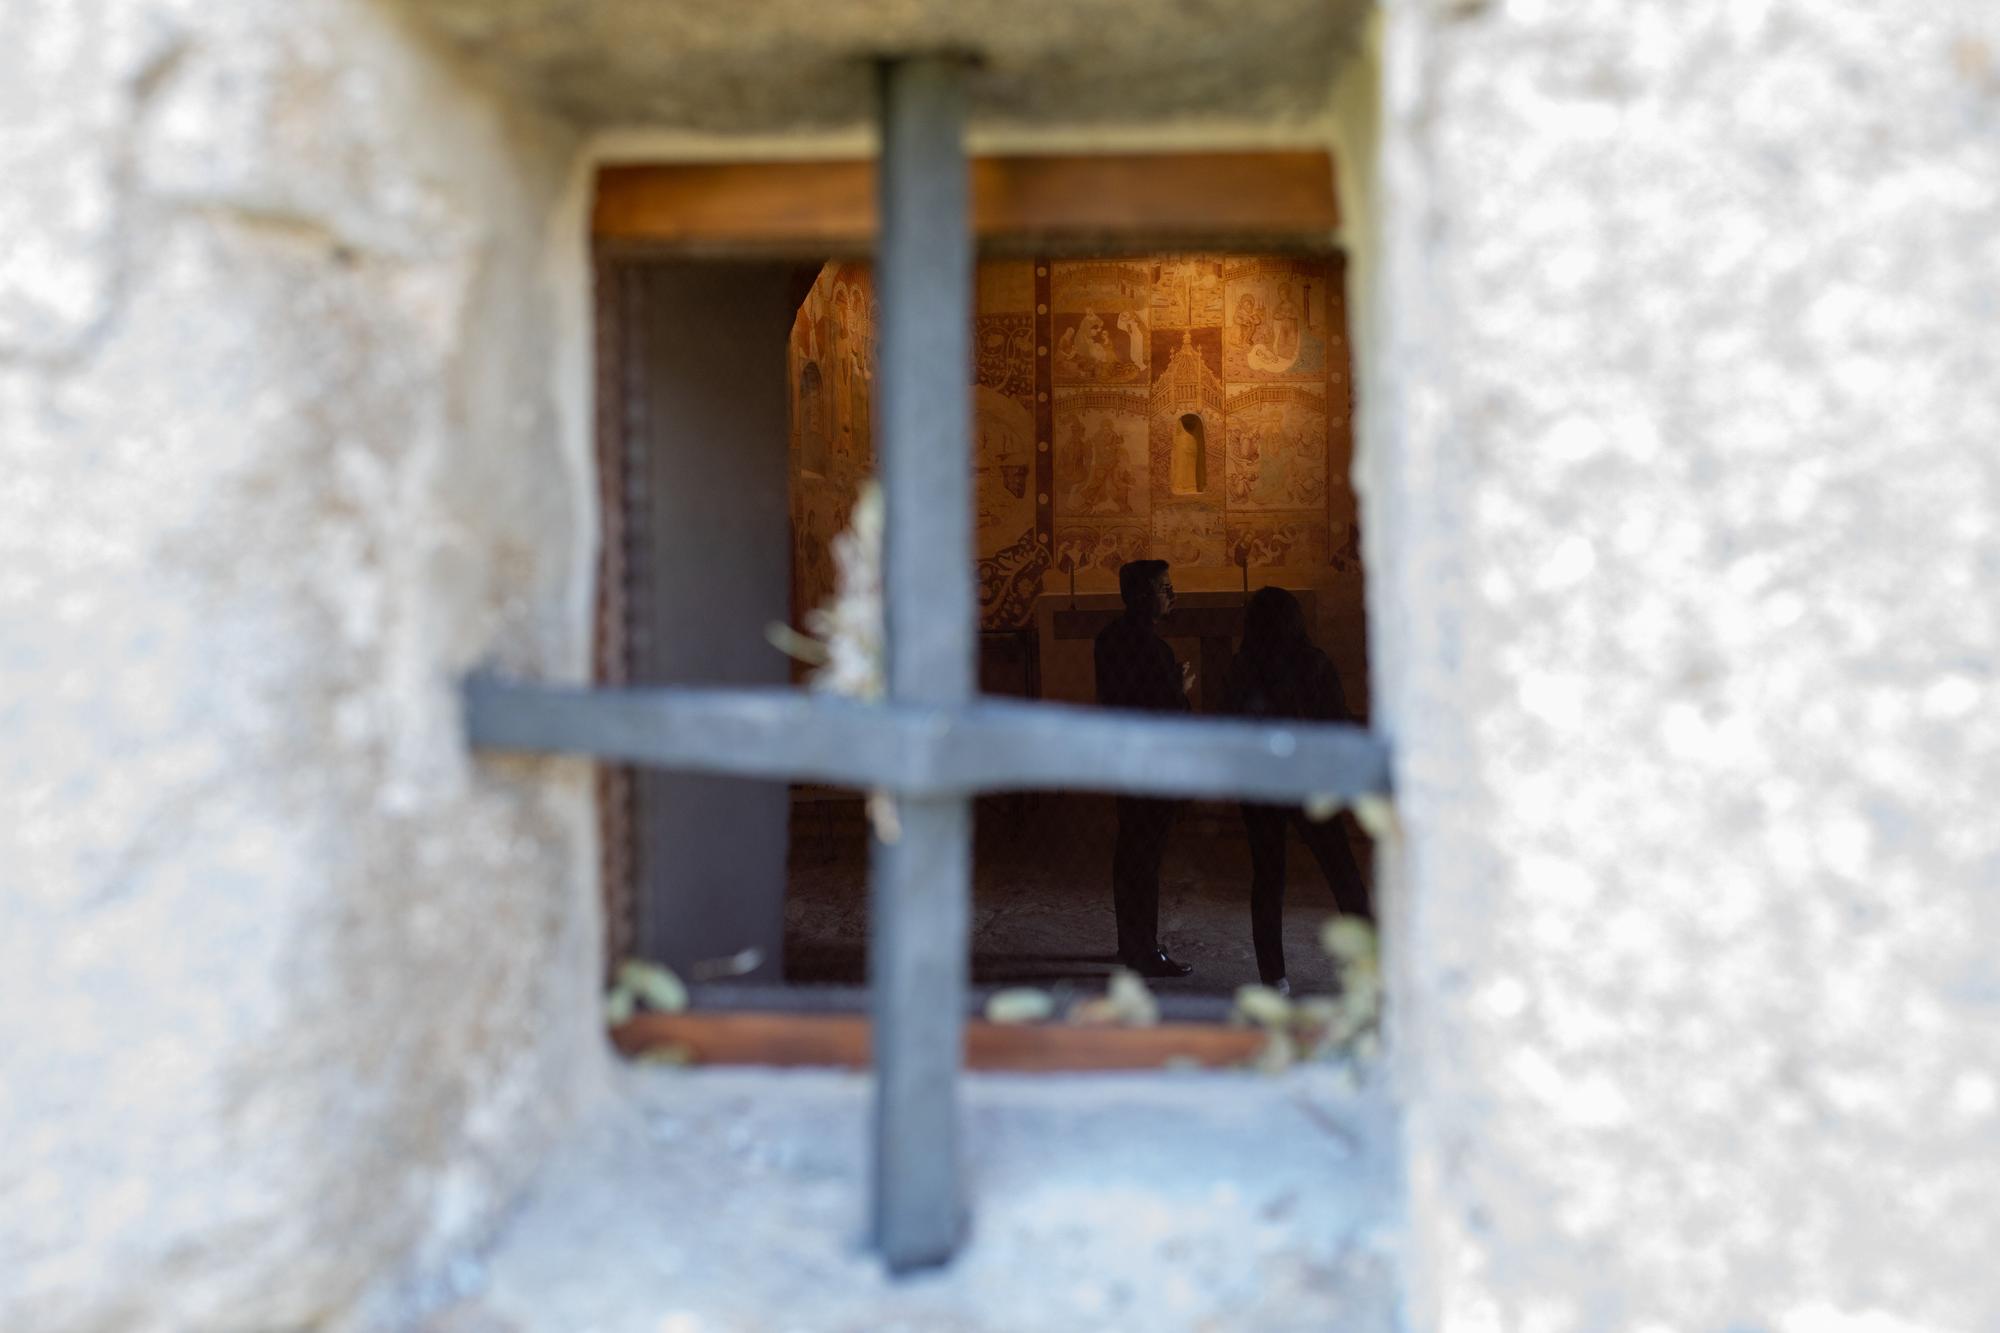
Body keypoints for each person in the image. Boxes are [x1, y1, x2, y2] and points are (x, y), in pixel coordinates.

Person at [1221, 586, 1374, 993]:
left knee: (1268, 878)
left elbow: (1233, 727)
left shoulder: (1243, 666)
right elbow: (1336, 724)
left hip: (1262, 783)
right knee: (1342, 872)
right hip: (1309, 780)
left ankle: (1273, 977)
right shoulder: (1313, 663)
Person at [1094, 559, 1196, 978]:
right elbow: (1164, 709)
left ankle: (1130, 942)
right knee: (1146, 858)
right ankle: (1144, 950)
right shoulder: (1154, 647)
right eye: (1164, 586)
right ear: (1140, 595)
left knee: (1130, 853)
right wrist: (1182, 688)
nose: (1172, 594)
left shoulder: (1108, 638)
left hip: (1123, 758)